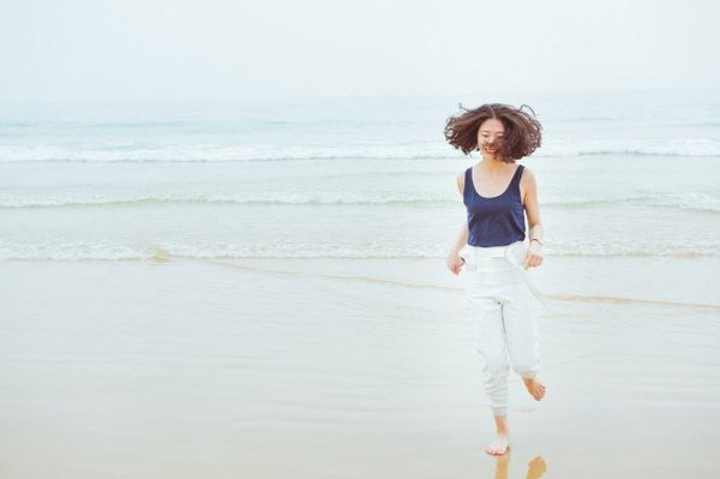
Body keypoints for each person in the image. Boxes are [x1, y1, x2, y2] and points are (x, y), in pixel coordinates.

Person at [444, 103, 546, 456]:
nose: (490, 142)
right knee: (493, 362)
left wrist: (536, 244)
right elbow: (473, 219)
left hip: (514, 272)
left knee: (523, 361)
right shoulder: (465, 179)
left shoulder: (523, 176)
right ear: (474, 136)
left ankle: (529, 375)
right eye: (485, 135)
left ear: (511, 138)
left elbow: (536, 222)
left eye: (499, 136)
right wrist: (453, 251)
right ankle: (502, 431)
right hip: (479, 275)